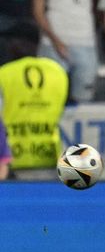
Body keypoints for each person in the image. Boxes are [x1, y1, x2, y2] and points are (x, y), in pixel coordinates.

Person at [0, 21, 68, 180]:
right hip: (49, 155)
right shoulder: (58, 71)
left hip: (14, 159)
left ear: (21, 43)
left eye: (10, 42)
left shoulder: (4, 74)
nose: (7, 47)